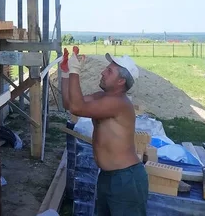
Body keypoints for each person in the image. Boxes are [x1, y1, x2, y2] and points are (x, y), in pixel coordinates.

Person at [60, 48, 148, 215]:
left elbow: (78, 108)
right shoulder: (102, 97)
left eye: (109, 71)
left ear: (121, 81)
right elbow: (70, 104)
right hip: (108, 177)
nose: (102, 72)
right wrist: (66, 73)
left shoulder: (119, 103)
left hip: (126, 179)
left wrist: (75, 70)